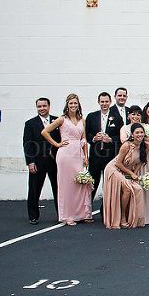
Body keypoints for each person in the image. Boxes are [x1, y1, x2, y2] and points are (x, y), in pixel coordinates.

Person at [41, 94, 92, 226]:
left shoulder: (82, 120)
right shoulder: (61, 119)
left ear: (78, 105)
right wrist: (56, 144)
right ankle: (68, 215)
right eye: (71, 103)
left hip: (78, 153)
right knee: (67, 185)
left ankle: (82, 214)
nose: (73, 106)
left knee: (80, 184)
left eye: (75, 103)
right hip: (65, 154)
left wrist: (86, 156)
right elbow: (44, 132)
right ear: (67, 105)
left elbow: (84, 139)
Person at [102, 123, 148, 229]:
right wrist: (131, 174)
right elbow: (118, 163)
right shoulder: (126, 145)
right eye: (137, 132)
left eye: (141, 132)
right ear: (132, 134)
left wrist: (134, 175)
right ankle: (122, 217)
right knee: (127, 188)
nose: (140, 134)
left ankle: (134, 217)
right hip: (114, 169)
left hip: (126, 171)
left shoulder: (145, 146)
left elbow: (141, 162)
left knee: (138, 188)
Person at [23, 97, 60, 225]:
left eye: (44, 106)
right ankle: (33, 216)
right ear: (36, 107)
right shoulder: (30, 123)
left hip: (55, 161)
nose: (42, 108)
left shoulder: (57, 121)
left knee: (58, 188)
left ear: (49, 106)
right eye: (39, 106)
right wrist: (30, 162)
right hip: (38, 161)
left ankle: (61, 214)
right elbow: (27, 144)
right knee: (34, 189)